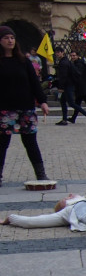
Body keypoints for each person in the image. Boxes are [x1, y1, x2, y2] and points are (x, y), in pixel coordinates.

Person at [0, 25, 51, 186]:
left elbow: (34, 83)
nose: (10, 41)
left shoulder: (24, 61)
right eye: (6, 38)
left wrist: (42, 101)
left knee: (30, 142)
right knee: (2, 144)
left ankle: (41, 175)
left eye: (12, 38)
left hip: (26, 108)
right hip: (4, 109)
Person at [54, 46, 86, 126]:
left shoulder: (64, 63)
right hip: (68, 85)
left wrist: (61, 87)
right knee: (63, 101)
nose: (57, 54)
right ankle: (64, 119)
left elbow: (63, 76)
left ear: (62, 52)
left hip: (67, 85)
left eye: (58, 52)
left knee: (71, 103)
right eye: (56, 52)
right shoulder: (66, 61)